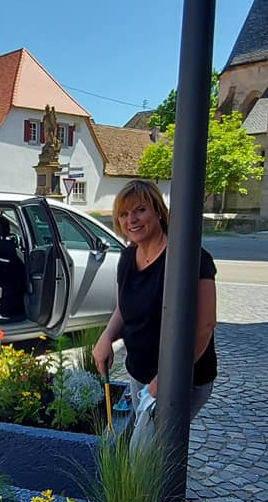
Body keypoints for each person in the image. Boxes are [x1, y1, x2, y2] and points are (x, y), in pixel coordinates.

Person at [92, 178, 217, 426]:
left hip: (181, 379)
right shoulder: (128, 257)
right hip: (139, 373)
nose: (132, 220)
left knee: (146, 453)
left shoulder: (190, 257)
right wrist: (106, 337)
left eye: (140, 210)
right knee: (153, 455)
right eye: (124, 214)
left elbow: (205, 326)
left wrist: (170, 375)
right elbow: (123, 308)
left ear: (158, 211)